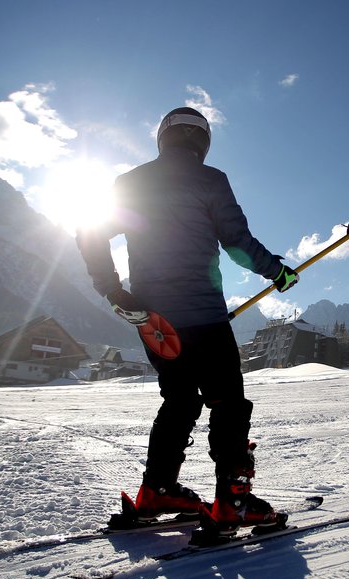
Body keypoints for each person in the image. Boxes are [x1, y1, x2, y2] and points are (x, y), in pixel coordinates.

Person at [76, 107, 300, 534]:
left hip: (155, 322)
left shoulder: (130, 182)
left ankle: (157, 489)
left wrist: (112, 290)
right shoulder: (211, 180)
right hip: (203, 315)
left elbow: (88, 232)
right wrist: (278, 272)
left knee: (180, 400)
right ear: (201, 142)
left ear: (163, 138)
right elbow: (236, 243)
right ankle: (234, 502)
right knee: (227, 402)